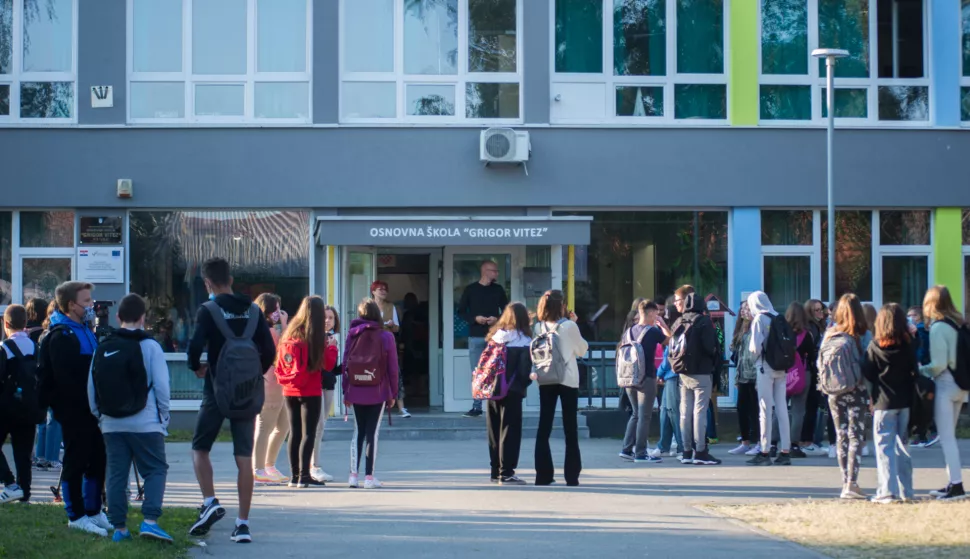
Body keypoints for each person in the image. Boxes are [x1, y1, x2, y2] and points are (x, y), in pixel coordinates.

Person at [187, 258, 276, 543]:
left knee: (200, 448)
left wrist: (198, 367)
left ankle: (210, 501)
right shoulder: (253, 310)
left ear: (208, 283)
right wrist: (252, 375)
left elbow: (194, 348)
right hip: (246, 393)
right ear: (232, 280)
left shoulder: (208, 310)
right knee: (244, 458)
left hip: (215, 391)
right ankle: (243, 524)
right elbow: (269, 351)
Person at [88, 293, 173, 542]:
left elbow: (91, 387)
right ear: (143, 318)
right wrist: (163, 416)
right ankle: (149, 521)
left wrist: (100, 416)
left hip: (111, 423)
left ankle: (120, 528)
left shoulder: (103, 347)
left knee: (116, 474)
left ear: (117, 317)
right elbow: (162, 387)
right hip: (146, 422)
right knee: (156, 470)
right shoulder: (150, 347)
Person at [36, 281, 110, 535]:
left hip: (91, 409)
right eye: (87, 301)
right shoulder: (60, 335)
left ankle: (94, 510)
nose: (92, 305)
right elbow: (65, 380)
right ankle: (75, 514)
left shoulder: (84, 329)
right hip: (74, 409)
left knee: (98, 458)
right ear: (71, 305)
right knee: (75, 461)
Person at [275, 296, 337, 488]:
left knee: (294, 432)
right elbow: (328, 364)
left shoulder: (290, 333)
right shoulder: (315, 335)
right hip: (310, 389)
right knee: (309, 433)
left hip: (289, 388)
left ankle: (294, 477)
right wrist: (332, 347)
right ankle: (304, 476)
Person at [862, 303, 917, 504]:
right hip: (905, 401)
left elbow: (867, 374)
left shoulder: (874, 346)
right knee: (903, 447)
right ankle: (907, 491)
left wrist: (870, 398)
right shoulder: (908, 344)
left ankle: (887, 491)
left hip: (883, 402)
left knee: (884, 446)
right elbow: (915, 368)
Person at [533, 290, 588, 486]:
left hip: (546, 377)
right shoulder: (569, 326)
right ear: (561, 305)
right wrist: (575, 322)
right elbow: (581, 349)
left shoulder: (538, 326)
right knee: (570, 427)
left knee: (544, 426)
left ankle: (543, 474)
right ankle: (571, 476)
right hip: (567, 379)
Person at [343, 299, 399, 489]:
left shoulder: (352, 334)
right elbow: (393, 368)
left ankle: (352, 476)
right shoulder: (386, 336)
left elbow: (345, 365)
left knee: (357, 432)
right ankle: (368, 477)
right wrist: (393, 392)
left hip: (356, 390)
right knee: (372, 433)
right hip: (378, 390)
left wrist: (346, 392)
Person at [920, 286, 969, 501]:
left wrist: (920, 369)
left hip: (945, 383)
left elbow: (938, 364)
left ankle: (956, 485)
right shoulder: (959, 323)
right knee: (950, 436)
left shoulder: (939, 327)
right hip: (962, 385)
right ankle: (953, 483)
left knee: (946, 438)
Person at [818, 293, 868, 500]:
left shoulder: (830, 334)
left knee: (841, 435)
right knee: (856, 435)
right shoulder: (862, 333)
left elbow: (819, 362)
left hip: (833, 390)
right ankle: (852, 483)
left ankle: (843, 481)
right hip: (856, 389)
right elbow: (868, 362)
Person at [483, 302, 533, 485]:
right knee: (510, 430)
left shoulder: (495, 337)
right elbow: (524, 372)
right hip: (512, 391)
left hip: (492, 390)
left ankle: (495, 470)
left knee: (494, 430)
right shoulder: (524, 341)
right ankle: (507, 472)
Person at [670, 286, 721, 466]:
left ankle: (686, 451)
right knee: (699, 413)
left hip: (683, 372)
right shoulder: (704, 321)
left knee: (685, 412)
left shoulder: (679, 321)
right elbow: (710, 347)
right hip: (702, 372)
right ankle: (701, 451)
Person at [618, 300, 670, 463]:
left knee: (635, 414)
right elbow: (670, 341)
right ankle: (640, 453)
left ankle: (627, 449)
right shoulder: (653, 331)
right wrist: (662, 325)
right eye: (655, 313)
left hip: (628, 377)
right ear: (649, 313)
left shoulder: (629, 331)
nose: (657, 316)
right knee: (644, 416)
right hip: (646, 377)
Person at [744, 292, 792, 466]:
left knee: (765, 409)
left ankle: (764, 451)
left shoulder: (759, 319)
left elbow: (754, 347)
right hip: (781, 367)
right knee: (782, 408)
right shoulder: (778, 317)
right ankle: (785, 450)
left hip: (765, 366)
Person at [457, 260, 509, 417]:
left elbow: (508, 311)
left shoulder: (498, 290)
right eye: (494, 271)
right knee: (477, 371)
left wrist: (497, 319)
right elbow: (461, 312)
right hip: (476, 336)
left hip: (495, 337)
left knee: (497, 371)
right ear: (485, 271)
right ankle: (477, 406)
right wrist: (475, 319)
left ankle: (497, 405)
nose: (497, 274)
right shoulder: (471, 290)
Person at [0, 305, 37, 504]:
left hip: (6, 408)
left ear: (5, 324)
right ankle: (25, 495)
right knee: (24, 454)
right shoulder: (35, 347)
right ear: (25, 323)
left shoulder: (4, 348)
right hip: (29, 407)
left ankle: (10, 483)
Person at [252, 294, 289, 485]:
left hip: (281, 383)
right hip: (270, 383)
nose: (278, 313)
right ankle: (258, 468)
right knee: (265, 426)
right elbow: (285, 348)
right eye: (275, 310)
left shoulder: (272, 330)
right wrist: (284, 324)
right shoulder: (267, 332)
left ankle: (269, 464)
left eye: (279, 309)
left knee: (283, 426)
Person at [309, 304, 341, 483]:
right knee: (317, 426)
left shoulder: (331, 338)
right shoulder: (316, 338)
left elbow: (331, 368)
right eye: (324, 317)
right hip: (316, 384)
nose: (327, 321)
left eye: (331, 318)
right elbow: (324, 364)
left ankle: (313, 464)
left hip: (328, 383)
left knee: (321, 425)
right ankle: (314, 466)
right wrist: (332, 349)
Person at [32, 299, 63, 472]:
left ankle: (41, 456)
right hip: (54, 382)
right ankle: (51, 457)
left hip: (43, 381)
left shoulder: (45, 332)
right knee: (54, 421)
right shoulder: (56, 333)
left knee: (44, 422)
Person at [371, 281, 409, 419]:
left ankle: (401, 407)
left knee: (395, 374)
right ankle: (374, 405)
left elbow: (397, 328)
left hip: (388, 345)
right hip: (372, 346)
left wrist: (392, 325)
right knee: (373, 375)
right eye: (379, 289)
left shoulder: (390, 306)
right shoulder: (368, 306)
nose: (383, 291)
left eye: (385, 289)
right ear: (373, 291)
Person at [787, 302, 818, 458]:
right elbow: (812, 356)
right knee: (798, 410)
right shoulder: (807, 335)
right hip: (802, 373)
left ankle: (773, 443)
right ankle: (794, 445)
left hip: (783, 374)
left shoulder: (782, 332)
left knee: (779, 408)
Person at [729, 301, 759, 455]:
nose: (744, 311)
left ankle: (760, 442)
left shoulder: (757, 327)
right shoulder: (741, 329)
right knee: (741, 409)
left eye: (747, 308)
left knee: (755, 410)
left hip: (754, 376)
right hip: (742, 376)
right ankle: (745, 441)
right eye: (742, 308)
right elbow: (737, 354)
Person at [800, 299, 828, 457]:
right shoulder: (811, 327)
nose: (819, 313)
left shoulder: (819, 326)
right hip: (812, 369)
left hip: (815, 369)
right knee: (810, 406)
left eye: (820, 310)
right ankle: (806, 441)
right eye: (816, 310)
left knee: (813, 406)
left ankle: (809, 440)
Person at [906, 305, 935, 447]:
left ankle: (922, 434)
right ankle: (926, 432)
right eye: (909, 316)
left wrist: (916, 364)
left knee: (919, 404)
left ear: (920, 318)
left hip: (921, 371)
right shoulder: (923, 331)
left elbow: (920, 351)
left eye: (914, 316)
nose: (911, 319)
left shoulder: (921, 332)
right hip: (925, 371)